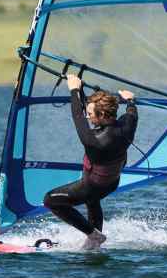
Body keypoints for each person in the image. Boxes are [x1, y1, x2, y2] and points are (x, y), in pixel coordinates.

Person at [43, 73, 137, 250]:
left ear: (102, 114)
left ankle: (94, 235)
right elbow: (131, 112)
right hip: (111, 183)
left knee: (50, 200)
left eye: (91, 114)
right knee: (92, 200)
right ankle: (94, 241)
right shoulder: (127, 126)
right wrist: (130, 100)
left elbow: (78, 117)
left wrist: (73, 90)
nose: (87, 117)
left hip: (92, 186)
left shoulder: (95, 141)